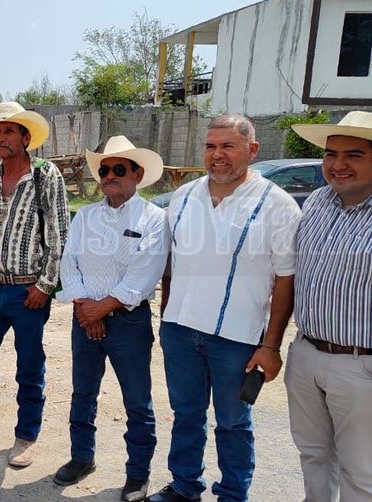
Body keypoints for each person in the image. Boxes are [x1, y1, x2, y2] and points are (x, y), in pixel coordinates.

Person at [148, 114, 301, 502]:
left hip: (237, 338)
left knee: (233, 422)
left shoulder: (278, 206)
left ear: (252, 150)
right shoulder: (185, 197)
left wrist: (271, 345)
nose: (217, 154)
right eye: (210, 146)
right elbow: (171, 263)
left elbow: (286, 279)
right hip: (180, 330)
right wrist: (166, 317)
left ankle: (233, 494)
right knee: (186, 414)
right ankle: (184, 486)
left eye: (228, 146)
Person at [54, 136, 168, 501]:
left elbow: (144, 274)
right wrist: (85, 308)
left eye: (119, 169)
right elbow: (68, 262)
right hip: (85, 316)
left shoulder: (154, 218)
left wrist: (100, 308)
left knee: (137, 401)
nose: (110, 176)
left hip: (128, 323)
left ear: (138, 174)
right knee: (83, 392)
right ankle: (81, 457)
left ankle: (137, 474)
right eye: (104, 170)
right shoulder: (86, 216)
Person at [0, 101, 69, 467]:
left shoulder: (45, 175)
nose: (1, 137)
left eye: (9, 131)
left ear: (26, 137)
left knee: (29, 366)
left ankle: (26, 435)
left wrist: (45, 285)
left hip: (29, 290)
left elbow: (59, 234)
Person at [284, 111, 372, 501]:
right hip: (306, 353)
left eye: (354, 155)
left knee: (361, 471)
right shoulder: (318, 202)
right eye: (331, 154)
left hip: (361, 364)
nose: (338, 165)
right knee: (314, 456)